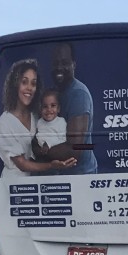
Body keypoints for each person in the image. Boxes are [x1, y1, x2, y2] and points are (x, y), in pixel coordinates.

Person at [0, 59, 77, 178]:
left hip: (36, 182)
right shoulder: (4, 123)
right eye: (24, 82)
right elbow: (22, 164)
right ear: (15, 84)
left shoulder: (36, 116)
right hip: (15, 184)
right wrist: (51, 165)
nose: (29, 88)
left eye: (33, 83)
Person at [32, 42, 97, 174]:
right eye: (56, 63)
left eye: (65, 62)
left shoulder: (79, 95)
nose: (59, 67)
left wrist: (42, 151)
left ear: (74, 64)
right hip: (61, 177)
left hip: (81, 177)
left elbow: (75, 149)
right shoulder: (55, 94)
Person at [35, 89, 67, 154]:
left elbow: (63, 140)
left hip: (57, 154)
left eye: (53, 106)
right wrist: (42, 144)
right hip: (42, 154)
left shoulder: (61, 122)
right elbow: (38, 137)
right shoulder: (39, 122)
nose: (49, 110)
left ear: (58, 109)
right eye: (45, 106)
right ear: (41, 109)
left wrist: (48, 144)